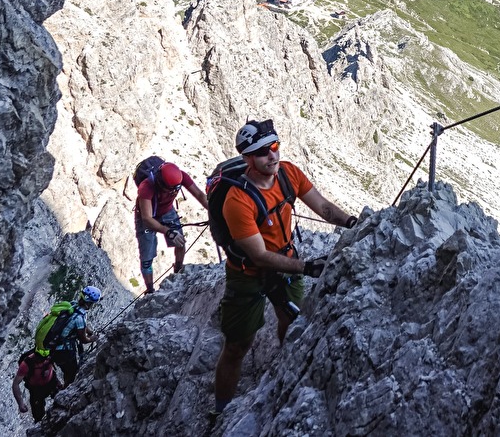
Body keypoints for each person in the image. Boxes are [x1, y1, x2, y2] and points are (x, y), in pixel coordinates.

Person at [210, 119, 358, 414]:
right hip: (247, 274)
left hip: (287, 261)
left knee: (291, 324)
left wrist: (352, 223)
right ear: (247, 159)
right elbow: (259, 256)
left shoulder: (289, 173)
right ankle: (221, 409)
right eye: (263, 152)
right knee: (238, 345)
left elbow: (323, 207)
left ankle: (284, 369)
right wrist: (305, 267)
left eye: (274, 147)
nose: (272, 156)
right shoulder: (237, 201)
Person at [136, 160, 209, 294]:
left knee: (180, 243)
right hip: (147, 216)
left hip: (166, 211)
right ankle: (150, 290)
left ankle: (178, 271)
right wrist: (168, 231)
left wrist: (214, 212)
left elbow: (199, 195)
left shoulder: (181, 177)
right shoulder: (146, 187)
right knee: (146, 259)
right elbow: (147, 218)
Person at [50, 286, 100, 385]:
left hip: (55, 346)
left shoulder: (73, 305)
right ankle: (64, 392)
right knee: (71, 373)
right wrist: (92, 338)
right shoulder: (80, 318)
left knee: (67, 371)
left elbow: (79, 326)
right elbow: (83, 340)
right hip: (64, 351)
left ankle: (61, 386)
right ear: (90, 303)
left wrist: (89, 331)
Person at [12, 348, 62, 421]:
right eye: (42, 359)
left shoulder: (50, 355)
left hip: (52, 383)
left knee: (61, 401)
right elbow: (15, 384)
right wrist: (20, 404)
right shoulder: (27, 364)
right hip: (36, 390)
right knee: (38, 417)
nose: (44, 360)